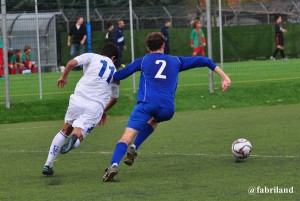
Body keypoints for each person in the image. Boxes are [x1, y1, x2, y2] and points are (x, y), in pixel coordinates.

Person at [102, 32, 231, 182]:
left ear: (147, 47)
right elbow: (205, 60)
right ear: (163, 45)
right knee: (154, 120)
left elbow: (118, 76)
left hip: (145, 105)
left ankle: (114, 165)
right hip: (167, 109)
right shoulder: (176, 61)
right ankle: (135, 147)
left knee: (126, 137)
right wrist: (225, 77)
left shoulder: (143, 61)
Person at [42, 42, 119, 176]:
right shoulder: (115, 73)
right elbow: (114, 98)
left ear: (102, 51)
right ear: (113, 58)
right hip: (95, 105)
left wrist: (64, 77)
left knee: (65, 128)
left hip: (78, 98)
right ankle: (75, 139)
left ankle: (48, 164)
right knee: (79, 133)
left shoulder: (92, 56)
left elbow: (71, 63)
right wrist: (104, 111)